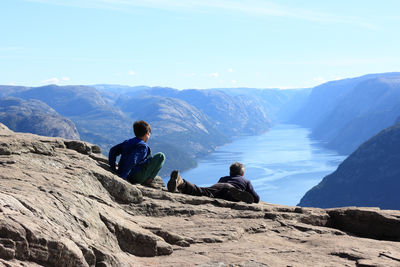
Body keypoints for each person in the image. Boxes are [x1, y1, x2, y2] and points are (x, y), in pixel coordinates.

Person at [167, 162, 260, 204]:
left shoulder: (223, 178)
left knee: (202, 191)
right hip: (233, 188)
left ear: (230, 172)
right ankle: (236, 196)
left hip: (219, 186)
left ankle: (181, 183)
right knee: (230, 194)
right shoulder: (246, 181)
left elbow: (217, 189)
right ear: (242, 173)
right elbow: (255, 198)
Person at [108, 120, 165, 186]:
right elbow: (132, 160)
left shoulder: (128, 142)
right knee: (161, 156)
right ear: (147, 133)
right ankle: (149, 180)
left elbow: (113, 150)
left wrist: (112, 167)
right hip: (135, 177)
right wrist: (123, 176)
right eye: (149, 133)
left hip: (121, 170)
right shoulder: (143, 147)